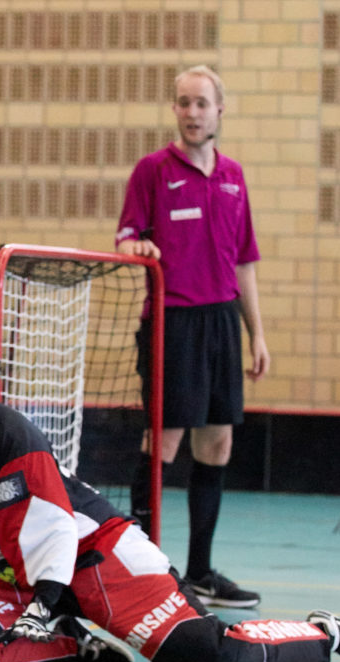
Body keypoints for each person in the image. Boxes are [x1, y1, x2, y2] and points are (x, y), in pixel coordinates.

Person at [0, 317, 340, 662]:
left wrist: (43, 602)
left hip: (98, 559)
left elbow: (58, 532)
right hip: (23, 576)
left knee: (207, 657)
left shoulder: (13, 437)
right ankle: (70, 641)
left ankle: (327, 634)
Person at [115, 64, 268, 609]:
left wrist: (257, 335)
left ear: (219, 110)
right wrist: (137, 249)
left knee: (218, 443)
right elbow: (128, 237)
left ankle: (200, 571)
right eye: (183, 102)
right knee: (165, 443)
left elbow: (245, 261)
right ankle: (147, 572)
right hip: (172, 322)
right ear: (175, 110)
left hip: (223, 320)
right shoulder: (152, 171)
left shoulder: (234, 176)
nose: (192, 112)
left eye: (201, 103)